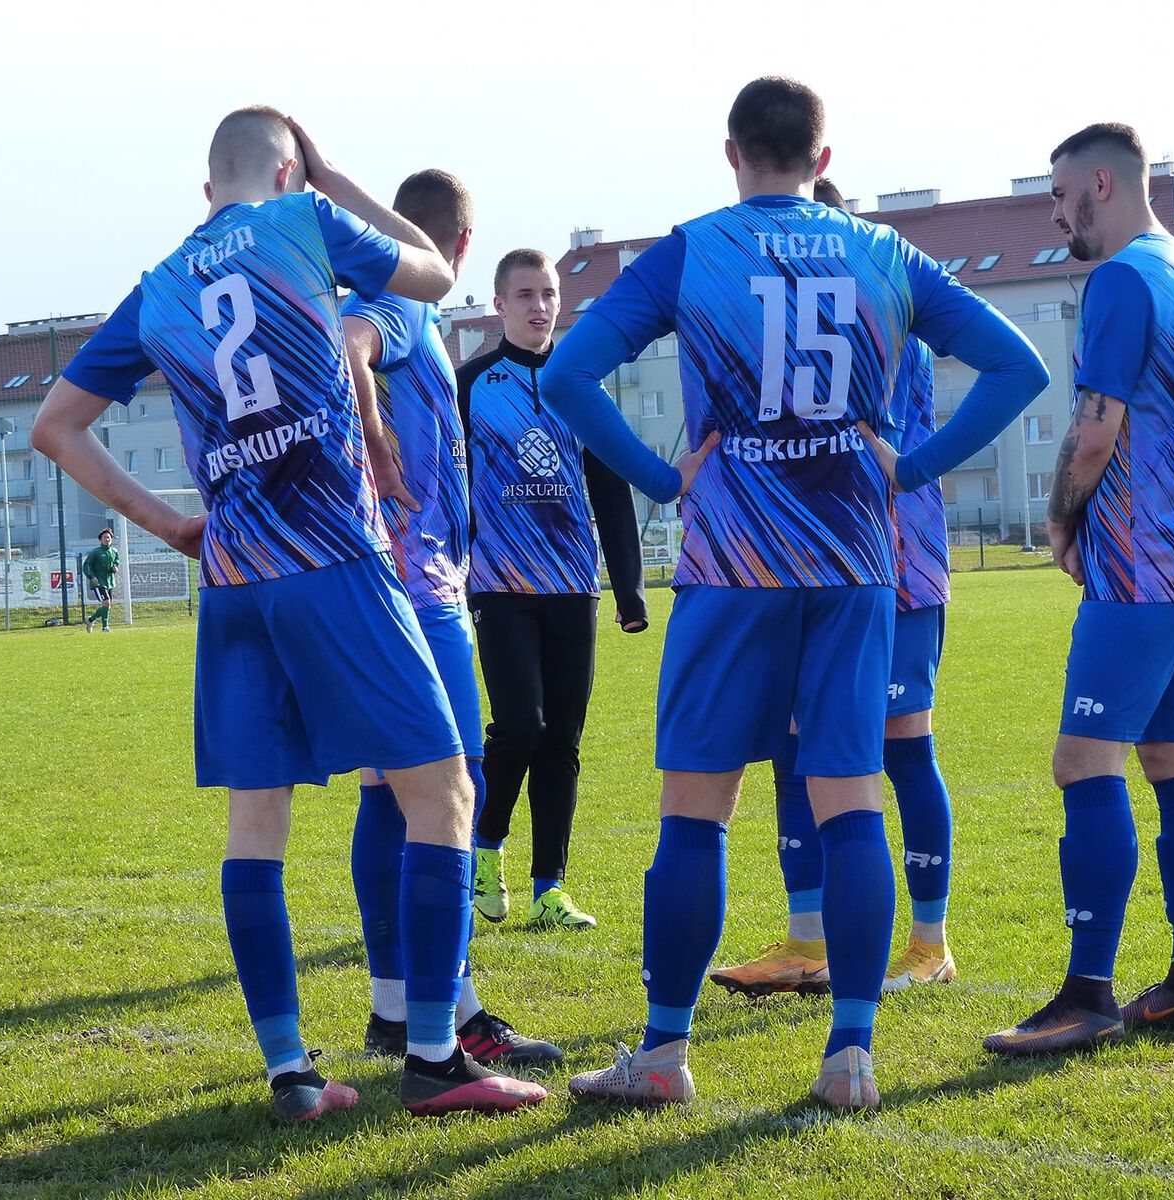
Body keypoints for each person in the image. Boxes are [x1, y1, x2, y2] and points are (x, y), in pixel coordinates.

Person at [542, 76, 1048, 1110]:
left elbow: (565, 378)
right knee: (850, 799)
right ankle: (848, 1057)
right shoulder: (883, 252)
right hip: (856, 564)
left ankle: (665, 1054)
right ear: (823, 161)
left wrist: (654, 477)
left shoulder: (692, 248)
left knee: (695, 811)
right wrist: (907, 465)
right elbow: (1018, 366)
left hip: (731, 567)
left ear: (731, 153)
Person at [32, 107, 544, 1121]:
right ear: (286, 168)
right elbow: (435, 277)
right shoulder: (305, 221)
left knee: (255, 825)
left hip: (232, 577)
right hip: (337, 559)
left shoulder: (161, 281)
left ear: (206, 185)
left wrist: (172, 527)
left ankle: (289, 1073)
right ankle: (436, 1055)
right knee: (441, 790)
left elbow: (55, 425)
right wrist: (337, 178)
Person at [982, 123, 1174, 1058]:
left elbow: (1097, 429)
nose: (1056, 217)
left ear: (1102, 183)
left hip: (1141, 563)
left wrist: (1060, 516)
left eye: (1060, 196)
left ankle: (1086, 992)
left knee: (1082, 765)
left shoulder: (1124, 278)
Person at [710, 176, 961, 1000]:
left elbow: (870, 433)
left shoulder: (885, 313)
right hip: (805, 564)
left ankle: (929, 943)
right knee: (793, 748)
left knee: (901, 747)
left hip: (893, 565)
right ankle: (806, 941)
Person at [341, 170, 561, 1070]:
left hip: (390, 585)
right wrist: (381, 452)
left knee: (389, 796)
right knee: (451, 794)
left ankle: (397, 1008)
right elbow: (346, 345)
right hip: (415, 590)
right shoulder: (393, 303)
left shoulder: (404, 309)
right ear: (460, 250)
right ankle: (452, 1009)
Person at [459, 249, 648, 931]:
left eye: (548, 293)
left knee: (563, 738)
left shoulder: (581, 388)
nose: (539, 306)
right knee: (520, 724)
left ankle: (549, 889)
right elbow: (448, 487)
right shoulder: (471, 383)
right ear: (500, 303)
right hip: (499, 584)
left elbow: (611, 484)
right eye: (525, 294)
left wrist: (627, 588)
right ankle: (483, 853)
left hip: (573, 585)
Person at [82, 528, 119, 632]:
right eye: (104, 537)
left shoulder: (114, 551)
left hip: (110, 582)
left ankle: (90, 620)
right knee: (106, 602)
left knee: (107, 604)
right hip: (98, 582)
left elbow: (116, 562)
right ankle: (105, 627)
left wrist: (115, 567)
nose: (107, 539)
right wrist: (91, 577)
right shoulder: (96, 552)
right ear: (100, 540)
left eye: (109, 537)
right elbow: (87, 565)